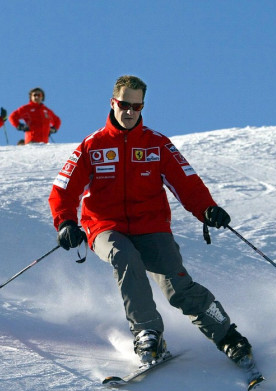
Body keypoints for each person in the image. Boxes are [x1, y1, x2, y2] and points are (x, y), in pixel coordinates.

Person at [48, 75, 256, 372]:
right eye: (124, 104)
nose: (130, 111)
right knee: (125, 257)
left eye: (137, 105)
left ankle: (228, 336)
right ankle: (148, 333)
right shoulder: (92, 146)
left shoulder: (157, 145)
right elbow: (63, 190)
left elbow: (187, 183)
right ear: (113, 103)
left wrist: (207, 208)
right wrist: (66, 222)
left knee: (178, 287)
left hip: (151, 226)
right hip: (105, 226)